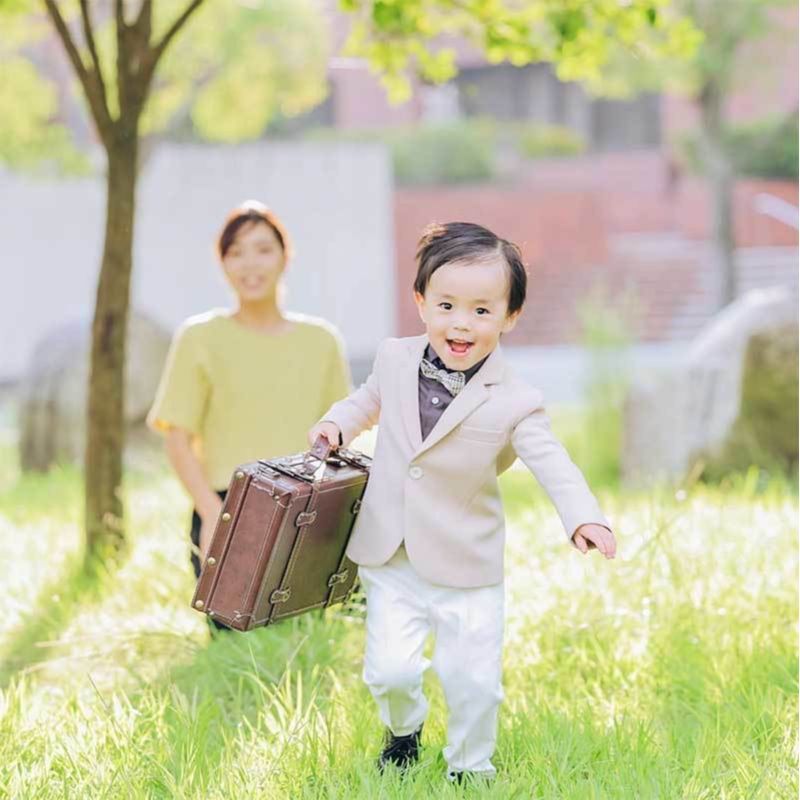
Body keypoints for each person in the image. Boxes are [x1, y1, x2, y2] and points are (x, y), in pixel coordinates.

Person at [308, 221, 616, 783]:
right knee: (390, 672)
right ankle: (403, 734)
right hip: (392, 554)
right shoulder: (394, 359)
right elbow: (365, 401)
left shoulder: (516, 399)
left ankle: (471, 768)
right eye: (446, 305)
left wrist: (584, 518)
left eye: (481, 310)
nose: (461, 323)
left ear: (509, 316)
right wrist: (336, 425)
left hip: (468, 564)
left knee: (473, 681)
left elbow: (552, 461)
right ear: (421, 302)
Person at [148, 201, 351, 628]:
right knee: (237, 648)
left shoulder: (322, 341)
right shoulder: (199, 337)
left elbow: (343, 438)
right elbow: (177, 439)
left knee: (309, 641)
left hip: (309, 510)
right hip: (230, 507)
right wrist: (212, 515)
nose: (249, 264)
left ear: (285, 256)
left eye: (262, 249)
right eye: (236, 252)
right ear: (222, 263)